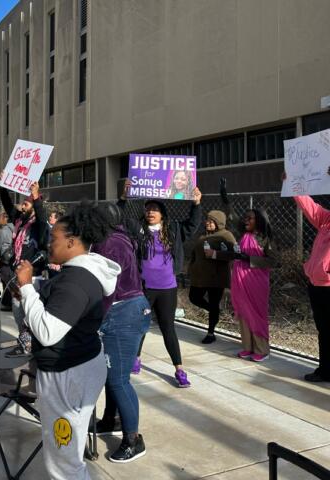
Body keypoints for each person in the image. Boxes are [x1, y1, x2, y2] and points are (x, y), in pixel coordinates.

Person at [15, 202, 120, 480]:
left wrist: (26, 288)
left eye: (54, 239)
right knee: (68, 447)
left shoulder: (75, 280)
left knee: (64, 460)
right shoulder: (79, 273)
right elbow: (60, 307)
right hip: (79, 364)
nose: (49, 244)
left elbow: (48, 331)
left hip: (68, 374)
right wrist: (33, 294)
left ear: (72, 242)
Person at [120, 179, 202, 387]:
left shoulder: (173, 229)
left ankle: (179, 369)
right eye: (148, 208)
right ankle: (135, 359)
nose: (150, 212)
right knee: (140, 325)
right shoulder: (138, 229)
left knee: (168, 328)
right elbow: (118, 220)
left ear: (162, 213)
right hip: (144, 287)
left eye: (155, 209)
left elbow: (192, 225)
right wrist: (122, 198)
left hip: (167, 288)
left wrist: (196, 204)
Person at [91, 202, 150, 462]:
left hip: (123, 314)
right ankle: (111, 418)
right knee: (110, 374)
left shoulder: (110, 244)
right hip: (125, 310)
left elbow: (106, 288)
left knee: (119, 380)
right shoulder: (115, 238)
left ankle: (133, 440)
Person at [287, 168, 330, 382]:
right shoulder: (326, 221)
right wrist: (293, 184)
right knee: (323, 329)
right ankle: (325, 369)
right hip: (317, 284)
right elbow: (309, 207)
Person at [0, 173, 49, 357]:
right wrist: (3, 186)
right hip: (16, 277)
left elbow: (43, 217)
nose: (22, 205)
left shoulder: (38, 226)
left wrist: (36, 197)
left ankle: (33, 345)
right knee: (18, 312)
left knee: (30, 314)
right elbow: (7, 205)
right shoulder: (20, 221)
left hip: (33, 278)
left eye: (26, 203)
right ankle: (25, 343)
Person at [230, 207, 276, 362]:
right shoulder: (245, 235)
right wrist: (226, 201)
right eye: (245, 218)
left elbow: (274, 261)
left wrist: (248, 259)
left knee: (256, 314)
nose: (246, 220)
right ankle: (248, 347)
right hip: (240, 281)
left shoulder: (265, 238)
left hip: (256, 283)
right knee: (244, 312)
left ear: (259, 220)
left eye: (250, 218)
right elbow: (233, 217)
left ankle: (262, 350)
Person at [188, 209, 237, 344]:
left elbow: (235, 254)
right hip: (199, 277)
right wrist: (191, 268)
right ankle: (214, 310)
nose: (208, 223)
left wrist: (216, 254)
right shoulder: (202, 237)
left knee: (214, 302)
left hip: (216, 277)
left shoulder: (226, 235)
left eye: (212, 221)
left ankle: (211, 333)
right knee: (194, 297)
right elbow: (194, 255)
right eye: (207, 220)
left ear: (219, 223)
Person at [0, 210, 15, 311]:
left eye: (1, 217)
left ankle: (8, 303)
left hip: (5, 258)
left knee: (5, 280)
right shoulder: (15, 227)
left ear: (6, 218)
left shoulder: (4, 230)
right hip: (13, 258)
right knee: (11, 280)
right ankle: (7, 300)